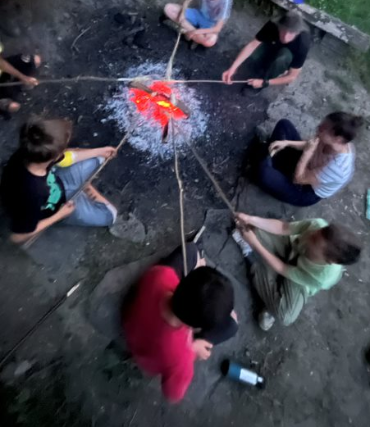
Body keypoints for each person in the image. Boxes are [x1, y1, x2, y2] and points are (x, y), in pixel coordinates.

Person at [123, 242, 238, 402]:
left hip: (134, 320)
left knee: (191, 250)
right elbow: (172, 395)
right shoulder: (181, 360)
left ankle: (199, 269)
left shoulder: (161, 275)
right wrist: (192, 349)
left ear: (186, 278)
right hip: (148, 354)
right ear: (197, 327)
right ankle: (202, 337)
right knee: (232, 325)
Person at [233, 213, 362, 331]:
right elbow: (283, 228)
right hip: (293, 249)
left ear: (329, 260)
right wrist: (251, 219)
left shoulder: (321, 277)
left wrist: (255, 244)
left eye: (314, 241)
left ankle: (251, 257)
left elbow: (283, 269)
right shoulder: (317, 225)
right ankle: (269, 279)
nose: (310, 235)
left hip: (299, 278)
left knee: (285, 315)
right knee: (250, 227)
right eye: (316, 233)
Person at [0, 117, 118, 243]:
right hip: (57, 206)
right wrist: (60, 215)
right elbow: (17, 236)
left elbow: (65, 157)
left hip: (57, 180)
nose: (66, 148)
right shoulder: (32, 194)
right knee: (110, 215)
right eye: (64, 147)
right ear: (54, 155)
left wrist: (99, 151)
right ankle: (85, 187)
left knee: (99, 157)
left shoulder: (29, 151)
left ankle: (83, 185)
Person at [254, 113, 363, 207]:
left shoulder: (337, 168)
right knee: (284, 125)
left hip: (306, 189)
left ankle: (269, 162)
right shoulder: (332, 141)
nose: (318, 127)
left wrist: (307, 153)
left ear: (338, 139)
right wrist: (287, 143)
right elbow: (309, 144)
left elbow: (299, 179)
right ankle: (271, 161)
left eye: (323, 128)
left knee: (264, 173)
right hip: (309, 164)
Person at [222, 11, 310, 89]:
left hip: (285, 56)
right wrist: (233, 68)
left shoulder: (302, 43)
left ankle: (263, 81)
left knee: (282, 59)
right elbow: (252, 45)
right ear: (279, 26)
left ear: (297, 33)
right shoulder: (272, 25)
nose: (285, 37)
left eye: (291, 33)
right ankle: (262, 66)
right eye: (283, 30)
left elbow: (292, 76)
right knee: (253, 55)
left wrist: (264, 83)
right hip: (271, 46)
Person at [0, 44, 41, 115]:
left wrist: (23, 77)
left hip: (4, 72)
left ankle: (24, 81)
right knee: (11, 105)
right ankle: (6, 104)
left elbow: (1, 63)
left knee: (34, 60)